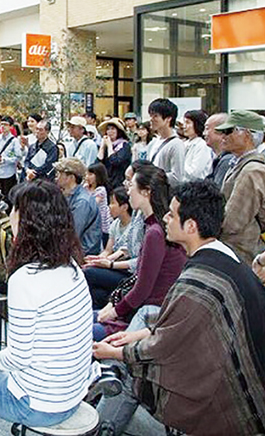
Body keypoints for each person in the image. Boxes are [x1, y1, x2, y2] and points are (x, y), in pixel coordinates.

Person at [94, 180, 265, 436]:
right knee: (143, 326)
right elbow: (183, 325)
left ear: (191, 226)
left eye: (172, 214)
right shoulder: (224, 257)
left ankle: (98, 429)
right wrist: (137, 335)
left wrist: (116, 353)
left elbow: (165, 346)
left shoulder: (198, 282)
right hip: (245, 379)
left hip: (230, 399)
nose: (165, 217)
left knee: (131, 376)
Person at [0, 180, 98, 435]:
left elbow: (19, 358)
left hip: (37, 401)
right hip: (72, 392)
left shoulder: (26, 279)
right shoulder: (71, 266)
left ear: (25, 221)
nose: (9, 215)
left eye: (14, 209)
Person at [94, 164, 186, 340]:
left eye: (131, 186)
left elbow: (142, 288)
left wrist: (114, 311)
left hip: (148, 313)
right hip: (145, 307)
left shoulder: (154, 232)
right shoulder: (153, 227)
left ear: (146, 192)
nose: (128, 192)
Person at [217, 109, 265, 265]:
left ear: (247, 134)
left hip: (241, 254)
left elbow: (233, 221)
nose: (223, 136)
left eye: (229, 130)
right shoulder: (240, 164)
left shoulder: (252, 170)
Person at [83, 186, 137, 308]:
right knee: (97, 293)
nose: (109, 207)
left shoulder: (135, 226)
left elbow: (122, 252)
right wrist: (97, 259)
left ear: (124, 207)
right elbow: (108, 250)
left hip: (128, 272)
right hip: (115, 267)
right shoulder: (115, 224)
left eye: (112, 203)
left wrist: (107, 262)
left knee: (89, 272)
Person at [54, 158, 102, 255]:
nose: (56, 178)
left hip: (83, 252)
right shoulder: (68, 195)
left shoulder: (82, 201)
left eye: (59, 174)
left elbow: (73, 234)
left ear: (70, 177)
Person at [146, 98, 185, 187]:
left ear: (168, 119)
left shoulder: (176, 144)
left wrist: (152, 177)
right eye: (150, 115)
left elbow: (177, 177)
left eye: (155, 116)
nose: (151, 119)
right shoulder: (154, 142)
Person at [0, 116, 22, 201]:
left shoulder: (14, 141)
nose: (3, 127)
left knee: (8, 197)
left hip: (9, 172)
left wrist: (5, 160)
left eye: (5, 125)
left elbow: (18, 157)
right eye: (1, 124)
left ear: (11, 127)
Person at [97, 117, 132, 190]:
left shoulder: (124, 146)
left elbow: (115, 161)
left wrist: (110, 146)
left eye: (113, 129)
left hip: (119, 183)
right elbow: (98, 163)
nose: (110, 131)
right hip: (107, 183)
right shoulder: (106, 145)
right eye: (108, 129)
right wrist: (102, 146)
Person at [204, 112, 233, 187]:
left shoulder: (228, 160)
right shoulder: (218, 157)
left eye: (207, 128)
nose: (204, 133)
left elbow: (216, 192)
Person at [86, 162, 112, 245]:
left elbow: (93, 204)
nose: (87, 177)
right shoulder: (87, 188)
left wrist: (85, 192)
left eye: (90, 174)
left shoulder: (101, 190)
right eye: (87, 174)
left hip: (102, 224)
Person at [182, 109, 212, 180]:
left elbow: (194, 173)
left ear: (196, 124)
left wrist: (178, 163)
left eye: (188, 123)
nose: (184, 126)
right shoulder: (185, 143)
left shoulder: (202, 145)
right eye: (184, 123)